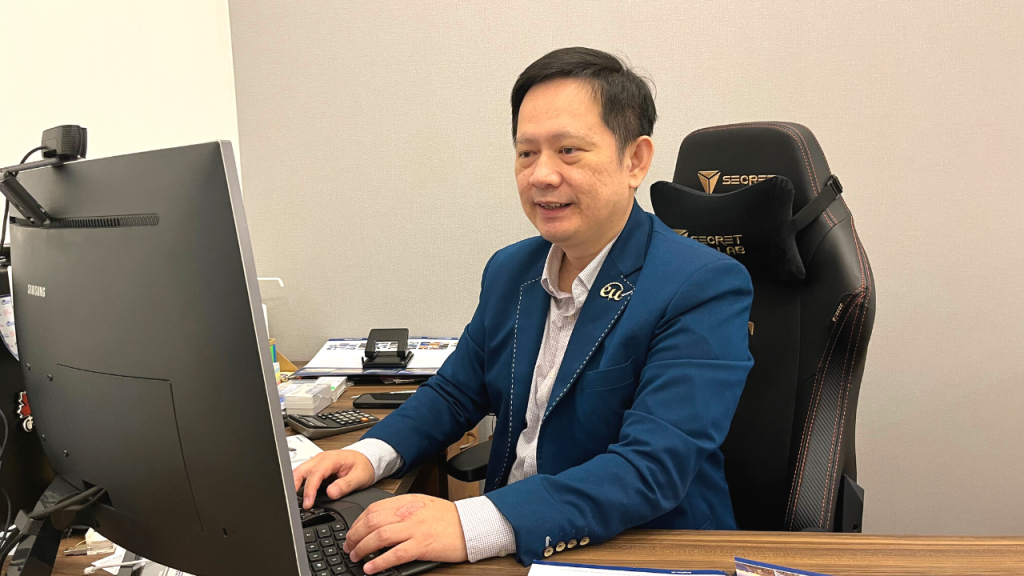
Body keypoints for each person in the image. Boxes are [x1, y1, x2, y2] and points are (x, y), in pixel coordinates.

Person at [293, 46, 754, 573]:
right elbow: (454, 392)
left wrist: (469, 523)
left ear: (635, 160)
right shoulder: (511, 269)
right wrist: (369, 453)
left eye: (569, 151)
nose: (541, 175)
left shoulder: (702, 284)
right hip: (516, 546)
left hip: (640, 550)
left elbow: (651, 468)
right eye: (526, 153)